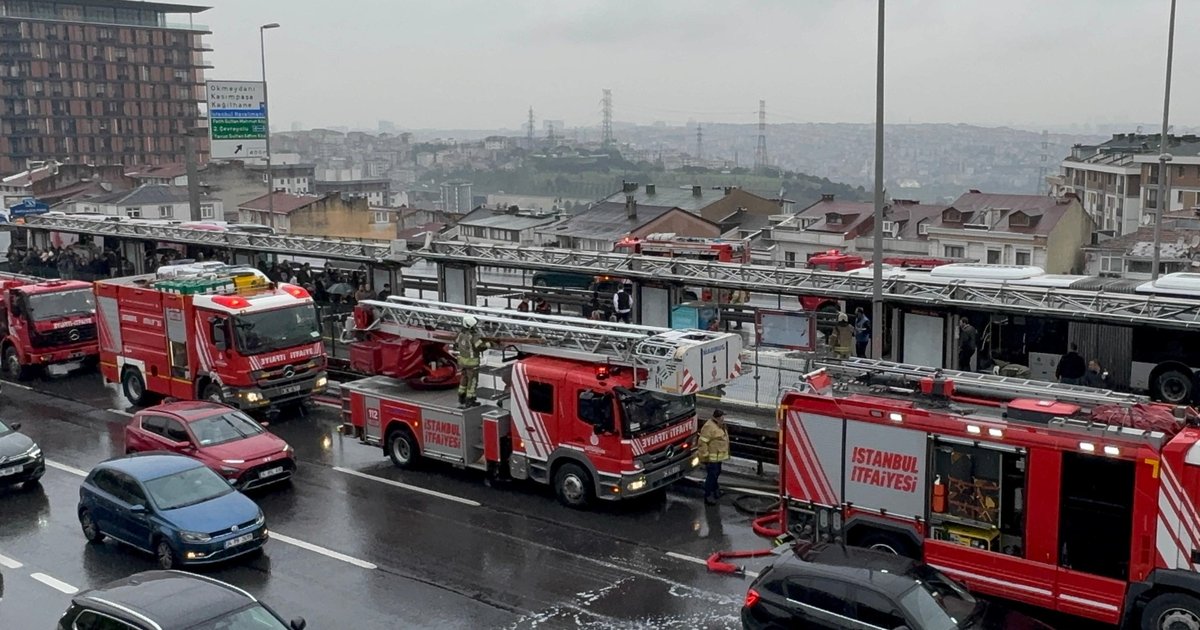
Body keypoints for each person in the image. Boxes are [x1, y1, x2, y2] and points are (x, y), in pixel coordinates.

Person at [454, 315, 489, 408]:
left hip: (462, 362)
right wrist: (488, 344)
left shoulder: (460, 334)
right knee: (472, 381)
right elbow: (479, 347)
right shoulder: (474, 336)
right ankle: (470, 400)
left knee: (464, 379)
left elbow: (456, 343)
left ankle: (461, 397)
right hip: (472, 363)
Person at [698, 409, 730, 505]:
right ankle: (708, 496)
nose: (723, 418)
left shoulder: (719, 425)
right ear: (718, 417)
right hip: (712, 458)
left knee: (716, 473)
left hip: (718, 457)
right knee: (711, 476)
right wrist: (705, 456)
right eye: (722, 417)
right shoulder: (709, 427)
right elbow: (702, 442)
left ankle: (716, 491)